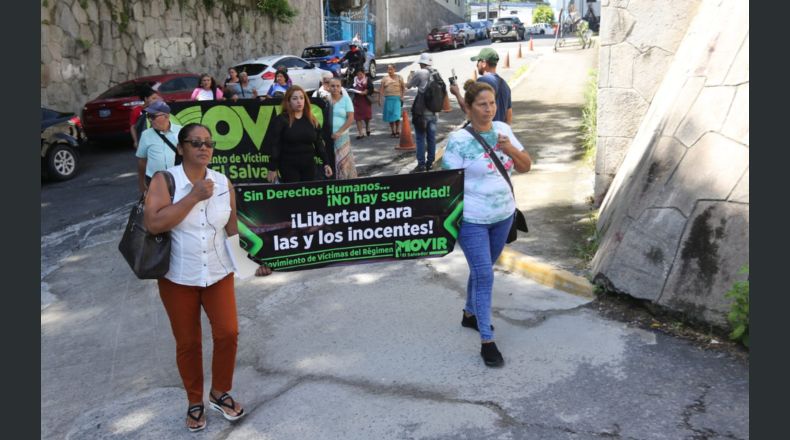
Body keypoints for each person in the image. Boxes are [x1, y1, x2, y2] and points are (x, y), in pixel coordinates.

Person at [143, 123, 272, 432]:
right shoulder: (165, 180)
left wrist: (250, 263)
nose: (204, 147)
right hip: (177, 276)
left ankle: (219, 392)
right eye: (195, 142)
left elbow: (230, 230)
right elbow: (153, 224)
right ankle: (194, 401)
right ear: (181, 148)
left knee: (228, 332)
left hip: (217, 273)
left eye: (208, 143)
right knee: (188, 342)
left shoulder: (223, 182)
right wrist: (193, 197)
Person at [440, 80, 532, 368]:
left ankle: (469, 312)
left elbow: (526, 165)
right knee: (485, 275)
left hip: (503, 216)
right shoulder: (458, 142)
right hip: (472, 221)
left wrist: (510, 149)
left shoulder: (504, 130)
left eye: (492, 103)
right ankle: (487, 340)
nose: (489, 109)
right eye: (483, 104)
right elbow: (448, 184)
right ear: (469, 106)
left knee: (482, 272)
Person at [265, 86, 333, 183]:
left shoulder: (312, 120)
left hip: (309, 165)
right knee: (293, 195)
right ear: (288, 102)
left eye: (302, 98)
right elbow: (275, 145)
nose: (299, 101)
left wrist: (326, 163)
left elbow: (318, 143)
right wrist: (272, 168)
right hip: (288, 165)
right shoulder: (281, 120)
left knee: (308, 194)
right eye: (295, 98)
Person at [450, 48, 512, 125]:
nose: (477, 64)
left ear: (483, 63)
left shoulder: (482, 82)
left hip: (484, 133)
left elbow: (468, 109)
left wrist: (457, 93)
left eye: (478, 61)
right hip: (498, 134)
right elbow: (508, 118)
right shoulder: (505, 85)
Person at [136, 101, 182, 193]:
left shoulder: (182, 131)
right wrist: (142, 182)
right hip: (154, 180)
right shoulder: (146, 135)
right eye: (148, 116)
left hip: (178, 179)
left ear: (167, 116)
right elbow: (142, 160)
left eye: (153, 116)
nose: (150, 120)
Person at [406, 53, 440, 173]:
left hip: (421, 113)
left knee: (420, 139)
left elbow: (408, 86)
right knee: (431, 138)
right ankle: (430, 163)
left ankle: (421, 165)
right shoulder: (436, 73)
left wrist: (410, 77)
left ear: (422, 63)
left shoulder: (420, 73)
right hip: (434, 112)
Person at [328, 77, 358, 179]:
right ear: (328, 87)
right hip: (329, 137)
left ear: (341, 88)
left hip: (342, 136)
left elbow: (350, 118)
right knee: (332, 161)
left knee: (343, 162)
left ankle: (345, 182)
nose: (335, 88)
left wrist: (339, 132)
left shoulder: (346, 99)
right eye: (332, 86)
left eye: (337, 86)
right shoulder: (326, 100)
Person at [378, 64, 406, 138]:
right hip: (388, 99)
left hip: (397, 99)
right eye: (388, 69)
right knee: (390, 116)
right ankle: (392, 131)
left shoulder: (399, 77)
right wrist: (379, 99)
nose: (390, 71)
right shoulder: (384, 78)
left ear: (394, 69)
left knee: (396, 116)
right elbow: (381, 89)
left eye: (391, 69)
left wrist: (402, 96)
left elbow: (403, 88)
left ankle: (397, 131)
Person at [351, 68, 373, 139]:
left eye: (361, 74)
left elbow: (371, 88)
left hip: (365, 100)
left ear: (364, 74)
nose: (359, 76)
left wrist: (366, 91)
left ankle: (367, 127)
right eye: (358, 74)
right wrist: (353, 90)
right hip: (357, 100)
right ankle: (360, 133)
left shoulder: (367, 79)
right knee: (358, 117)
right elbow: (351, 87)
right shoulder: (354, 80)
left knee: (366, 116)